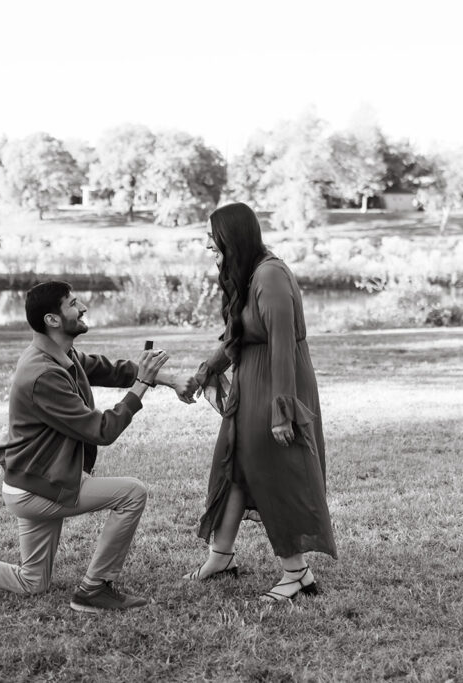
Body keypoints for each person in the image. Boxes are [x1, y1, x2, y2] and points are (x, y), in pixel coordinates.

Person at [0, 280, 194, 613]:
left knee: (33, 581)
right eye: (73, 304)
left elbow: (111, 370)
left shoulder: (59, 354)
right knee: (132, 493)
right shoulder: (43, 374)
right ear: (53, 320)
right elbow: (102, 429)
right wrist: (142, 385)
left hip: (33, 482)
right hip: (38, 491)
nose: (82, 307)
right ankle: (94, 589)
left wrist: (168, 379)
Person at [182, 202, 337, 602]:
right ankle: (221, 556)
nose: (210, 250)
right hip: (250, 384)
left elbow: (283, 344)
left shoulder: (269, 275)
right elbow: (235, 337)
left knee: (275, 471)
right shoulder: (248, 275)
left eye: (214, 242)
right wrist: (203, 373)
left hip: (278, 385)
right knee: (235, 465)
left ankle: (297, 573)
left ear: (233, 239)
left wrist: (282, 412)